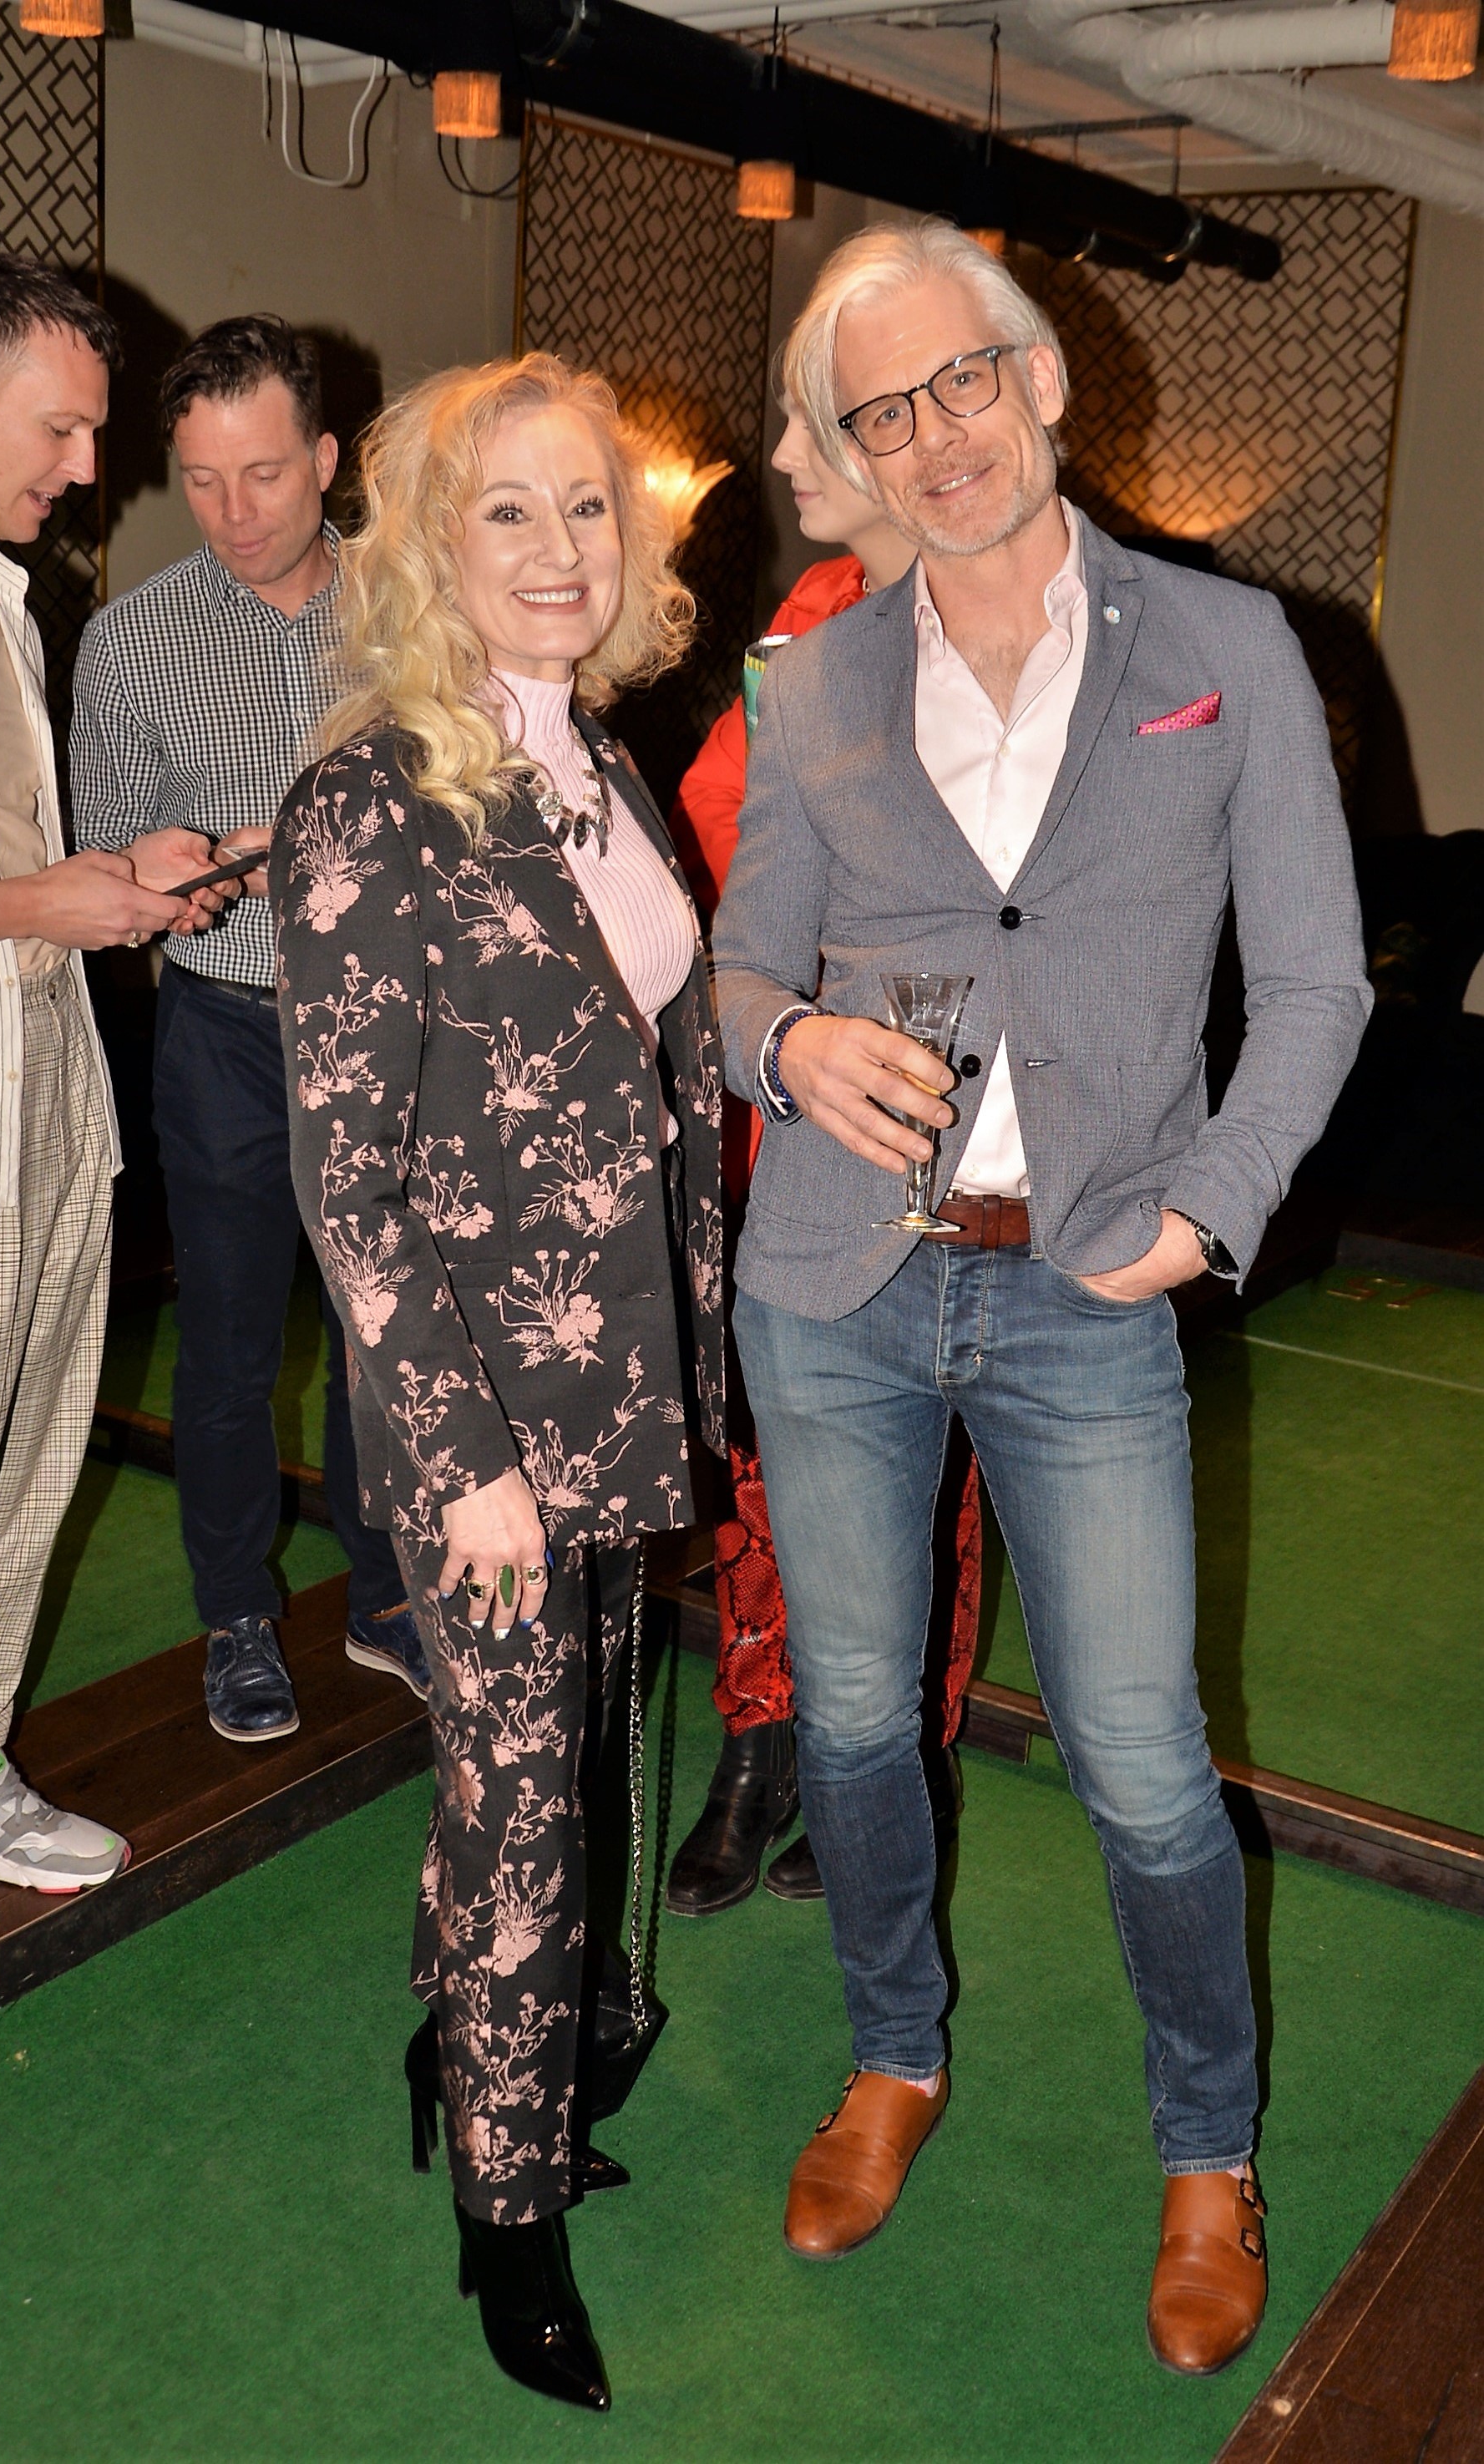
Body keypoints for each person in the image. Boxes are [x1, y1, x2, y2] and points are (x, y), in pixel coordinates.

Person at [712, 221, 1371, 2374]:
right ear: (854, 453)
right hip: (838, 1283)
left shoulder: (1228, 645)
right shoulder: (814, 679)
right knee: (852, 1714)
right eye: (882, 413)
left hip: (1090, 1286)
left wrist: (1209, 1213)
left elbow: (1318, 983)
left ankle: (1209, 2148)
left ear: (1043, 378)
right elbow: (737, 970)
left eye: (960, 383)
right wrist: (789, 1044)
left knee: (1147, 1758)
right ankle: (891, 2051)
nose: (933, 437)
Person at [270, 352, 724, 2412]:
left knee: (547, 1766)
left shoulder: (598, 757)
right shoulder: (373, 796)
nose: (559, 548)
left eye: (588, 506)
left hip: (620, 1384)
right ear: (430, 549)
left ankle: (461, 2047)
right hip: (482, 1421)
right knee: (529, 1793)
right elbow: (346, 1177)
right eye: (509, 510)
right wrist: (460, 1462)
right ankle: (508, 2214)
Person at [0, 253, 226, 1891]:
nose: (89, 469)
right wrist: (41, 903)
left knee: (23, 1464)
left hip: (46, 1071)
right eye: (63, 427)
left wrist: (115, 874)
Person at [71, 316, 428, 1746]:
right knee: (226, 1343)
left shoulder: (419, 610)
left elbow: (478, 801)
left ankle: (385, 1591)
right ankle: (235, 1613)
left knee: (384, 1330)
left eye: (265, 473)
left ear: (327, 458)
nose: (233, 512)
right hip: (222, 1026)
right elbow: (101, 856)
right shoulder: (131, 640)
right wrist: (166, 868)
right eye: (205, 478)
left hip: (395, 1027)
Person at [665, 393, 982, 1917]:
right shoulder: (812, 608)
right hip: (786, 1087)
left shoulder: (1018, 613)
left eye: (814, 427)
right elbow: (716, 801)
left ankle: (912, 1758)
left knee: (927, 1450)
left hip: (940, 1092)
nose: (783, 458)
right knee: (765, 1444)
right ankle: (761, 1740)